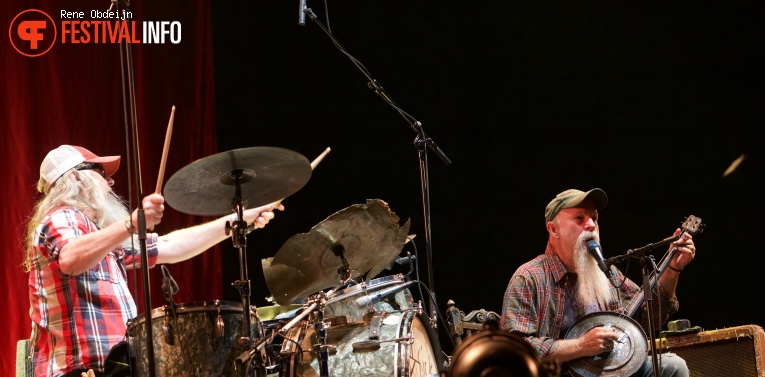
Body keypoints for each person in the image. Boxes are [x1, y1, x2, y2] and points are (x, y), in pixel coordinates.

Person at [23, 145, 285, 377]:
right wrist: (130, 224)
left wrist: (238, 221)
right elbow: (70, 258)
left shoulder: (100, 239)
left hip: (111, 369)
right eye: (103, 174)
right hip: (78, 371)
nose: (111, 182)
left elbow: (171, 246)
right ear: (75, 176)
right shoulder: (63, 217)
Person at [500, 188, 695, 377]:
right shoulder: (529, 278)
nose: (591, 225)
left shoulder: (607, 273)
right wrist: (581, 346)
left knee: (673, 366)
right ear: (553, 229)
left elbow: (649, 318)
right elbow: (514, 349)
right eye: (580, 218)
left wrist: (672, 269)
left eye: (594, 218)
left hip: (612, 370)